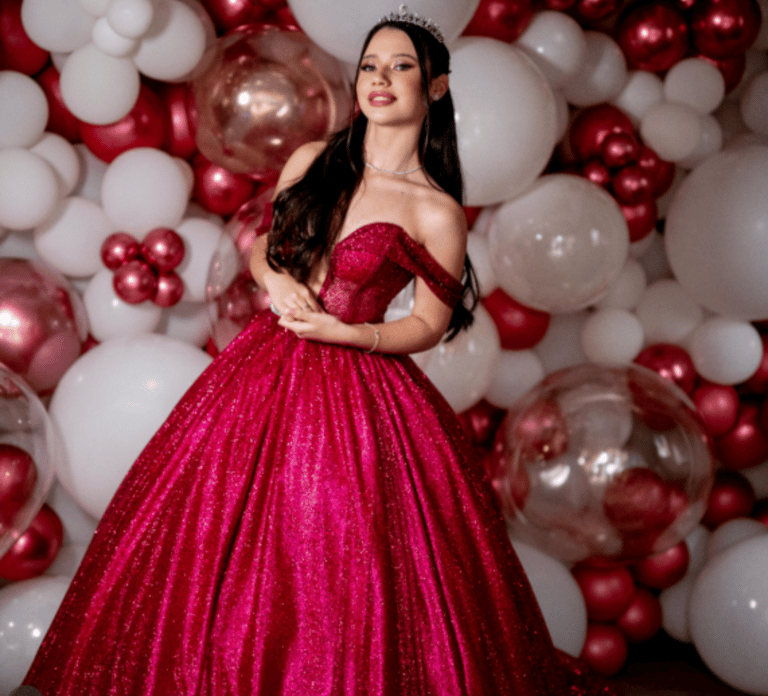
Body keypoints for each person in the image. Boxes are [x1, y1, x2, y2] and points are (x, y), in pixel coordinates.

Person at [23, 7, 618, 696]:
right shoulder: (312, 160)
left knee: (340, 544)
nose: (380, 81)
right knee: (215, 533)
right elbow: (265, 259)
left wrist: (353, 334)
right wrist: (277, 283)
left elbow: (429, 323)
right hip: (266, 365)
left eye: (401, 68)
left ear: (435, 89)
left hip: (362, 383)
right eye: (370, 66)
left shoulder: (434, 209)